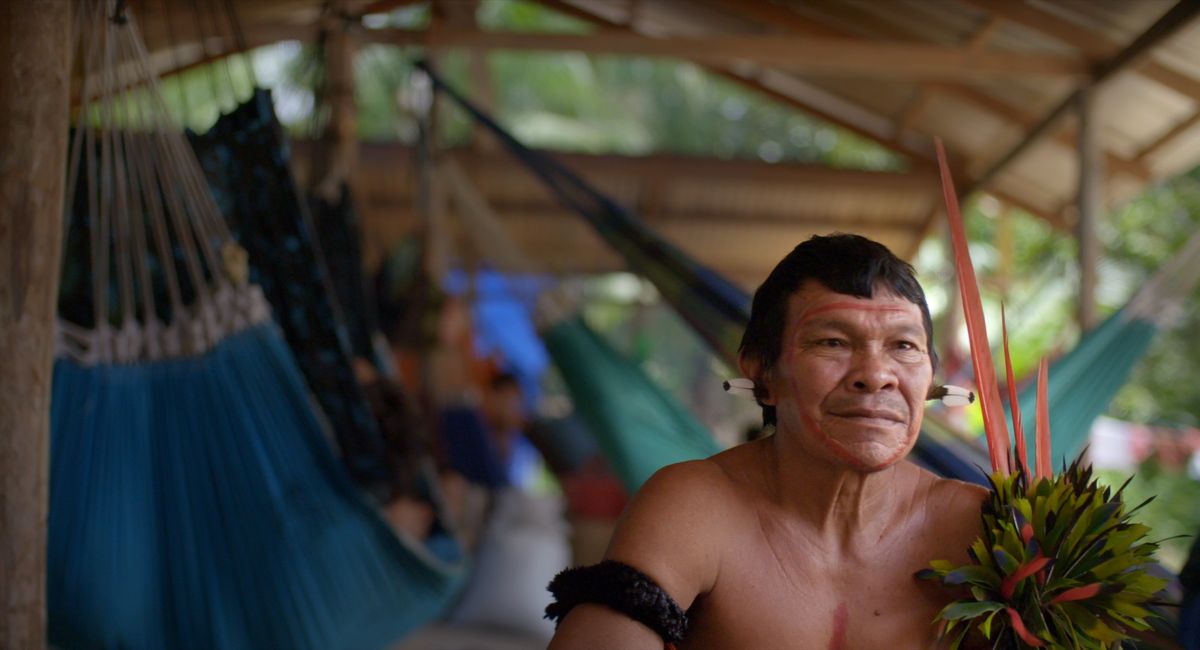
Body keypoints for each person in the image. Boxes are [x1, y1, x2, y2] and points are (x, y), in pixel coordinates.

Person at [546, 234, 988, 649]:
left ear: (930, 377)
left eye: (904, 346)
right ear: (761, 375)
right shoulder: (697, 508)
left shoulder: (982, 528)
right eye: (832, 341)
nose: (875, 375)